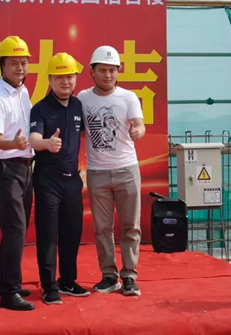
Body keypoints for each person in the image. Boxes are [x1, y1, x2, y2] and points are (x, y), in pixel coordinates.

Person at [76, 45, 146, 296]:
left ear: (118, 71)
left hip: (127, 169)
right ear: (92, 71)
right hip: (97, 172)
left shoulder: (128, 97)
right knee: (102, 228)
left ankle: (129, 276)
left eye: (112, 70)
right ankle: (108, 275)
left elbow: (140, 124)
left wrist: (138, 131)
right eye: (103, 70)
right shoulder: (82, 98)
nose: (108, 75)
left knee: (131, 226)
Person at [29, 52, 91, 305]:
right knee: (47, 233)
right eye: (60, 77)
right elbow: (33, 139)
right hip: (48, 180)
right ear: (50, 80)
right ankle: (49, 286)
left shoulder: (78, 106)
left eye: (70, 77)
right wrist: (47, 143)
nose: (66, 82)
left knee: (72, 231)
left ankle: (68, 280)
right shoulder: (40, 108)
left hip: (72, 180)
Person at [0, 35, 35, 311]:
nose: (20, 68)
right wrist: (14, 143)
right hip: (6, 167)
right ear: (1, 65)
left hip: (25, 165)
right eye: (14, 63)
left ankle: (2, 281)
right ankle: (10, 292)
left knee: (17, 228)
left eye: (24, 63)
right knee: (15, 228)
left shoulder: (23, 91)